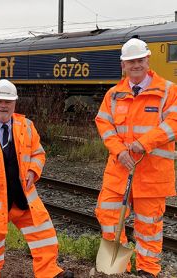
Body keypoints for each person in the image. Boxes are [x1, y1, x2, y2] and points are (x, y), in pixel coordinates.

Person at [0, 79, 74, 278]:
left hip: (23, 198)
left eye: (8, 101)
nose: (3, 105)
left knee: (44, 234)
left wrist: (32, 172)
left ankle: (50, 272)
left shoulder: (26, 127)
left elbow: (38, 153)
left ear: (15, 103)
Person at [95, 38, 177, 277]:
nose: (136, 65)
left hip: (152, 174)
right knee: (108, 215)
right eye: (131, 62)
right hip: (119, 170)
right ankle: (117, 268)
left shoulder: (168, 91)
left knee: (149, 226)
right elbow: (104, 124)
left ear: (148, 60)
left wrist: (145, 143)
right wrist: (119, 151)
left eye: (140, 60)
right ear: (123, 65)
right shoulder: (113, 94)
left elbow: (173, 123)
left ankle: (147, 271)